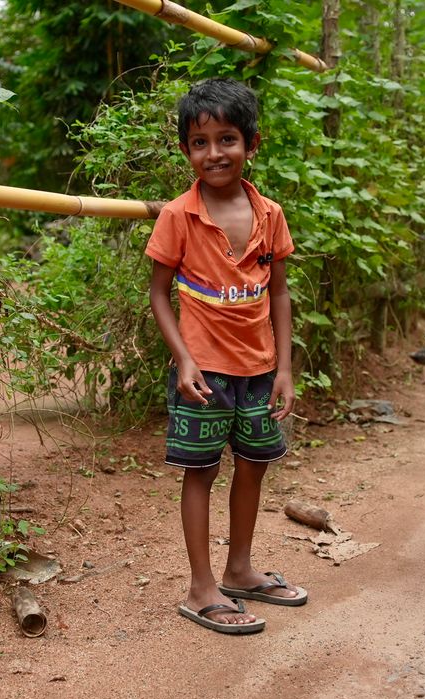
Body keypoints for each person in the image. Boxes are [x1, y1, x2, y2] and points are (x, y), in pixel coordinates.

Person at [146, 78, 307, 635]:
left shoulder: (271, 214)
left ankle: (239, 568)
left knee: (255, 463)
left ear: (252, 143)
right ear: (186, 149)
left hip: (259, 370)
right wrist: (184, 359)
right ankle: (201, 586)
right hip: (204, 372)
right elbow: (158, 294)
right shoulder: (178, 216)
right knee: (200, 469)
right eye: (199, 142)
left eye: (227, 139)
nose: (214, 153)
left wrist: (284, 367)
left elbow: (279, 292)